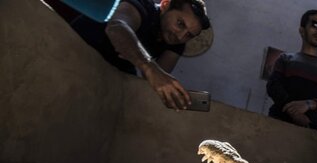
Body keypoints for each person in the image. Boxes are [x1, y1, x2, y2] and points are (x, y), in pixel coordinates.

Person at [46, 0, 210, 110]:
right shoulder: (143, 6)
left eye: (189, 35)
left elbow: (158, 78)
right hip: (79, 43)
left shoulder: (177, 43)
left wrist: (179, 97)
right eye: (180, 24)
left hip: (111, 70)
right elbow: (117, 27)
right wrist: (149, 66)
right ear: (165, 5)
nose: (181, 36)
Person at [266, 9, 317, 130]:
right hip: (278, 123)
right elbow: (273, 86)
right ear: (302, 31)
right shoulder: (285, 59)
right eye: (314, 25)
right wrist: (295, 113)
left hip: (308, 129)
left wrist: (308, 104)